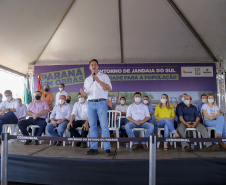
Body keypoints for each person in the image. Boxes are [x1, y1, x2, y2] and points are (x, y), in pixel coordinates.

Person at [80, 59, 112, 156]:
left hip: (101, 102)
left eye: (95, 64)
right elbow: (86, 94)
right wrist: (83, 93)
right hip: (90, 103)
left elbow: (109, 88)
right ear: (89, 67)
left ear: (98, 66)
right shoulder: (87, 79)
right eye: (91, 64)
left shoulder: (104, 76)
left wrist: (98, 80)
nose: (93, 66)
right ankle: (94, 148)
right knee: (92, 127)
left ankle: (107, 148)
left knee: (104, 127)